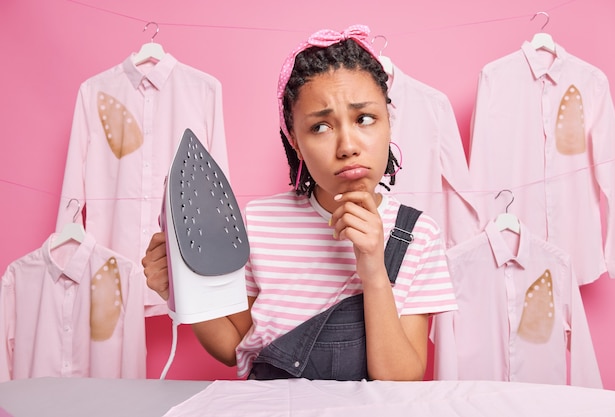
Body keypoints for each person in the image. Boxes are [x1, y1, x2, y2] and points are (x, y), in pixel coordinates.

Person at [142, 24, 457, 381]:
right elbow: (236, 348)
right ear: (294, 141)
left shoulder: (418, 235)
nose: (348, 146)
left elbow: (400, 381)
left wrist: (372, 266)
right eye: (320, 127)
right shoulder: (259, 222)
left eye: (365, 119)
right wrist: (183, 286)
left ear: (388, 123)